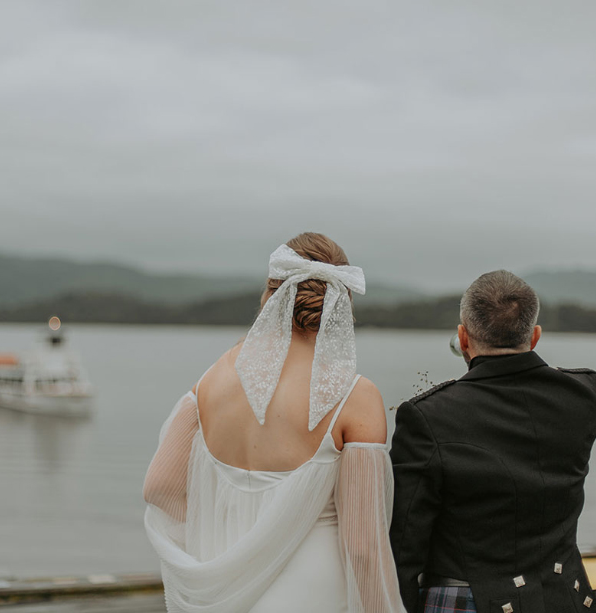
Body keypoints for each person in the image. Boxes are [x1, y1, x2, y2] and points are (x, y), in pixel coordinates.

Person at [143, 232, 405, 613]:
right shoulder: (354, 396)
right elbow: (364, 547)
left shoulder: (213, 378)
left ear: (270, 295)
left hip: (225, 589)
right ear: (341, 305)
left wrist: (228, 545)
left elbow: (159, 487)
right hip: (313, 594)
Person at [389, 271, 596, 613]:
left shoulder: (427, 416)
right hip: (564, 597)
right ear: (535, 336)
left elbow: (404, 543)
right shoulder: (587, 393)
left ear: (463, 338)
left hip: (468, 600)